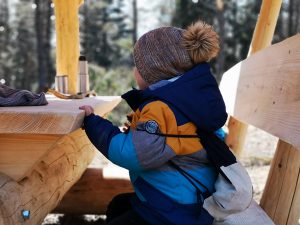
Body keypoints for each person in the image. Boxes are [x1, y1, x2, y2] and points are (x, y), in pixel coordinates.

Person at [80, 20, 229, 225]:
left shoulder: (162, 108)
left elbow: (131, 154)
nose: (135, 71)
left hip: (175, 212)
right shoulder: (186, 101)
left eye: (138, 66)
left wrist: (93, 124)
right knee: (119, 205)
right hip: (191, 196)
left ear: (154, 71)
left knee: (121, 212)